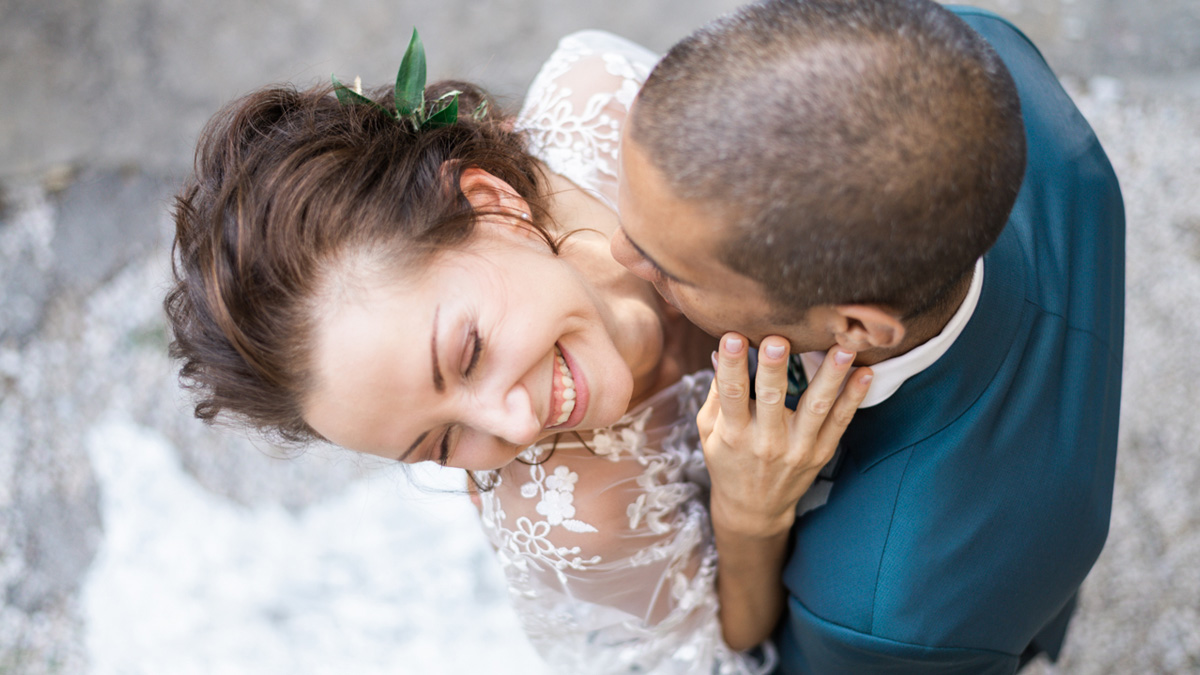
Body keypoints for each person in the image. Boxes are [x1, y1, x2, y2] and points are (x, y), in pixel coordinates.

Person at [164, 29, 873, 674]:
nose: (514, 424)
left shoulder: (606, 104)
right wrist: (749, 512)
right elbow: (731, 638)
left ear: (493, 202)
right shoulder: (578, 509)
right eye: (441, 443)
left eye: (467, 353)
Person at [611, 1, 1124, 673]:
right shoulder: (984, 55)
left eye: (669, 269)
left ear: (855, 326)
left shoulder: (885, 611)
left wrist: (746, 518)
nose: (619, 255)